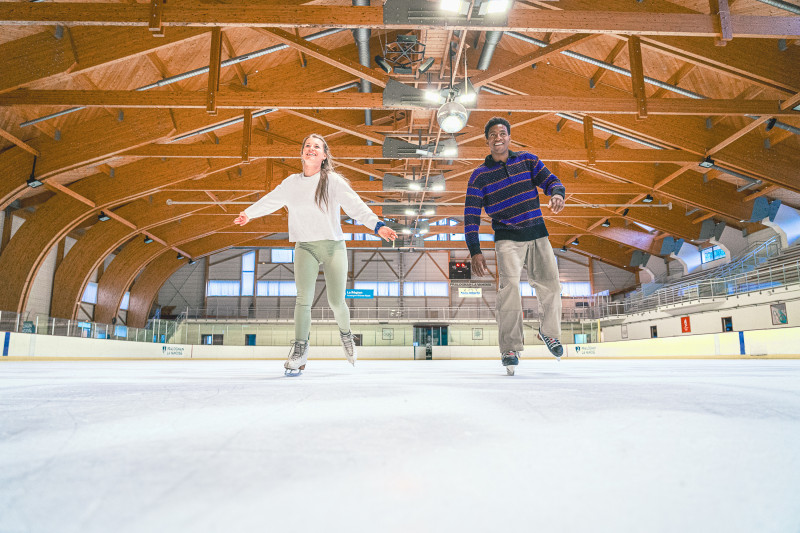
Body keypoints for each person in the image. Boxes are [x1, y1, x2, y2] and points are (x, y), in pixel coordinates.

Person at [234, 134, 397, 373]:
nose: (311, 149)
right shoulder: (291, 183)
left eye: (316, 147)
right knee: (303, 299)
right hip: (305, 246)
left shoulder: (333, 181)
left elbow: (356, 206)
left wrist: (377, 225)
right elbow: (271, 200)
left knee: (335, 301)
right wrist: (249, 213)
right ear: (302, 153)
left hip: (333, 246)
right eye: (307, 146)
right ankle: (300, 351)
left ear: (323, 156)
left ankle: (346, 336)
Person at [464, 117, 566, 375]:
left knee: (551, 285)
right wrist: (475, 250)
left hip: (537, 234)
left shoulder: (528, 161)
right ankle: (510, 348)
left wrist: (556, 194)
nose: (498, 137)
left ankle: (550, 333)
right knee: (509, 289)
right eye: (493, 134)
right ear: (487, 140)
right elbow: (471, 216)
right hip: (507, 238)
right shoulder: (479, 176)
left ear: (509, 137)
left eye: (503, 133)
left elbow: (551, 181)